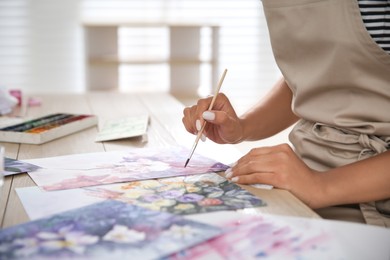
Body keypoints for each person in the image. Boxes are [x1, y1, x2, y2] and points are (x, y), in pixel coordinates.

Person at [182, 0, 390, 227]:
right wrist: (242, 127)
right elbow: (318, 74)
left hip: (374, 200)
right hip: (302, 184)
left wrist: (322, 186)